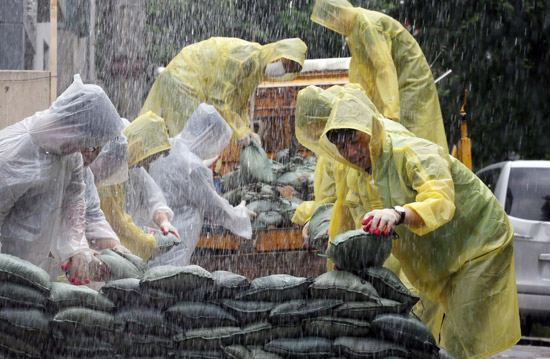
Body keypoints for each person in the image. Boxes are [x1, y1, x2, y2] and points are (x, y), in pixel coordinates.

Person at [313, 90, 520, 359]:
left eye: (355, 141)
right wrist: (345, 260)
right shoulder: (360, 176)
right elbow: (353, 224)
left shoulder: (410, 151)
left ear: (371, 129)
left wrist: (398, 213)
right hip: (439, 254)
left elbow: (441, 200)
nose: (351, 153)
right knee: (422, 334)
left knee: (460, 342)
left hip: (479, 243)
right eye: (342, 148)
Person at [0, 74, 123, 284]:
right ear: (74, 129)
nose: (88, 154)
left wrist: (76, 248)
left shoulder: (70, 155)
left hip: (38, 280)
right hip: (7, 278)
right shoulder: (11, 157)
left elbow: (74, 202)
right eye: (91, 146)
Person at [310, 0, 448, 149]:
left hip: (411, 83)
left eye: (329, 21)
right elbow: (363, 73)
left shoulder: (367, 23)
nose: (331, 28)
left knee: (410, 135)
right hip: (396, 86)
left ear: (336, 12)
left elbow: (384, 67)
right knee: (396, 139)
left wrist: (390, 113)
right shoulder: (353, 32)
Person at [140, 36, 307, 146]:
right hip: (183, 80)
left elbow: (237, 104)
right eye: (285, 64)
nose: (283, 70)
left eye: (288, 69)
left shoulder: (257, 68)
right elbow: (219, 100)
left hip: (186, 82)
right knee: (191, 143)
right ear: (276, 53)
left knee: (198, 143)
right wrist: (239, 132)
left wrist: (247, 130)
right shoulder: (247, 58)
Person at [148, 103, 255, 267]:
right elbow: (215, 207)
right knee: (166, 285)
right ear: (208, 136)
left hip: (153, 238)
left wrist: (201, 166)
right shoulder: (192, 166)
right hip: (174, 246)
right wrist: (241, 214)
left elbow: (177, 178)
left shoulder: (168, 145)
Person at [95, 111, 179, 261]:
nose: (145, 164)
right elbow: (114, 219)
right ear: (139, 147)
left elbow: (153, 197)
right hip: (94, 246)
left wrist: (164, 221)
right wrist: (146, 243)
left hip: (110, 246)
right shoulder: (109, 163)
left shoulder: (133, 165)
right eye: (148, 158)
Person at [84, 134, 131, 254]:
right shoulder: (46, 164)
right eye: (107, 165)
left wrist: (115, 246)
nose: (108, 173)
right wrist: (74, 251)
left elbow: (93, 218)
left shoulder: (85, 174)